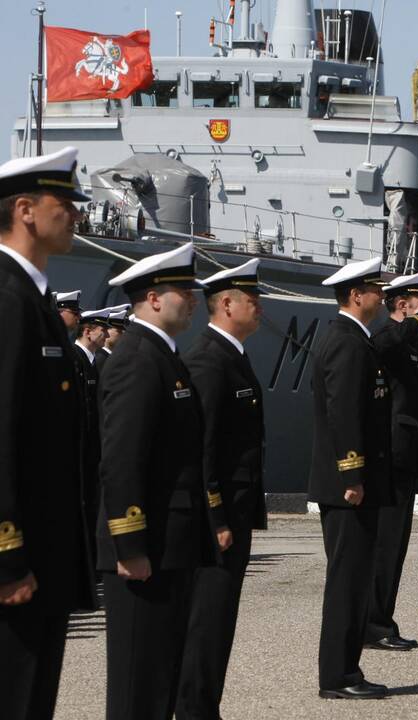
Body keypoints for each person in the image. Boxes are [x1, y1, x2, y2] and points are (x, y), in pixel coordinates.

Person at [98, 241, 215, 719]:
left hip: (171, 544)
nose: (192, 298)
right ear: (151, 297)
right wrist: (130, 546)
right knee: (137, 682)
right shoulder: (136, 358)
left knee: (160, 674)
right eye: (183, 290)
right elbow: (122, 460)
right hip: (146, 548)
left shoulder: (164, 356)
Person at [0, 146, 96, 720]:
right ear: (27, 210)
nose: (77, 215)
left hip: (43, 552)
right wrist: (7, 559)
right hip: (21, 558)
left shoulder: (29, 297)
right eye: (65, 203)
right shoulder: (8, 298)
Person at [177, 259, 267, 719]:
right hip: (219, 520)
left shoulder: (231, 356)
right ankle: (195, 710)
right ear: (226, 304)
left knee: (220, 622)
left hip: (235, 512)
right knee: (206, 623)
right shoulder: (208, 361)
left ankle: (204, 707)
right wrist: (215, 518)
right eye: (252, 300)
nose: (259, 307)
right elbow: (203, 450)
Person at [307, 257, 390, 700]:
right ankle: (337, 676)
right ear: (356, 295)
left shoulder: (357, 339)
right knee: (347, 580)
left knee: (356, 579)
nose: (382, 296)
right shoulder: (345, 341)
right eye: (376, 288)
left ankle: (347, 670)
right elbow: (343, 414)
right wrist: (353, 473)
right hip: (348, 486)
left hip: (355, 482)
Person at [366, 270, 418, 651]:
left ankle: (381, 619)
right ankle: (373, 623)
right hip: (390, 454)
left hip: (406, 454)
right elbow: (385, 343)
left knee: (396, 544)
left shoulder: (411, 343)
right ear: (402, 303)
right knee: (386, 543)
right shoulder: (389, 337)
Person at [72, 308, 112, 550]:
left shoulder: (92, 362)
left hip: (93, 446)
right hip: (81, 447)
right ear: (87, 332)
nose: (106, 334)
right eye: (102, 329)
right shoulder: (75, 358)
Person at [96, 305, 131, 373]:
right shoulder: (100, 359)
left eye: (124, 332)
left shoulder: (112, 357)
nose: (123, 335)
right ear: (107, 330)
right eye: (119, 331)